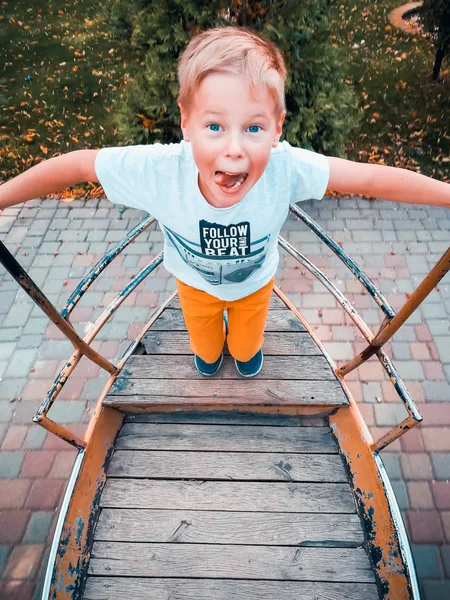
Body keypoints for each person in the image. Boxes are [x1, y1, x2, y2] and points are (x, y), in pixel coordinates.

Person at [0, 27, 449, 378]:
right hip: (194, 286)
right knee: (207, 354)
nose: (234, 149)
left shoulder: (285, 168)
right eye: (215, 126)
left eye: (253, 128)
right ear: (186, 122)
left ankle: (247, 355)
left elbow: (370, 177)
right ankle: (211, 358)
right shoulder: (160, 172)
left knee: (249, 353)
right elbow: (78, 166)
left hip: (254, 286)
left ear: (277, 128)